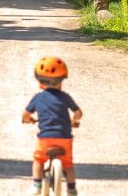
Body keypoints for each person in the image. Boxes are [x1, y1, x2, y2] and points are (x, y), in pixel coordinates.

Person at [22, 56, 83, 196]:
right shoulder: (65, 97)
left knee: (38, 160)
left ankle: (36, 185)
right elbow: (78, 113)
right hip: (64, 139)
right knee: (68, 165)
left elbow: (25, 115)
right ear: (61, 80)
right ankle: (72, 189)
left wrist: (29, 120)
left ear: (39, 80)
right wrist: (74, 121)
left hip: (45, 139)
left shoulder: (38, 98)